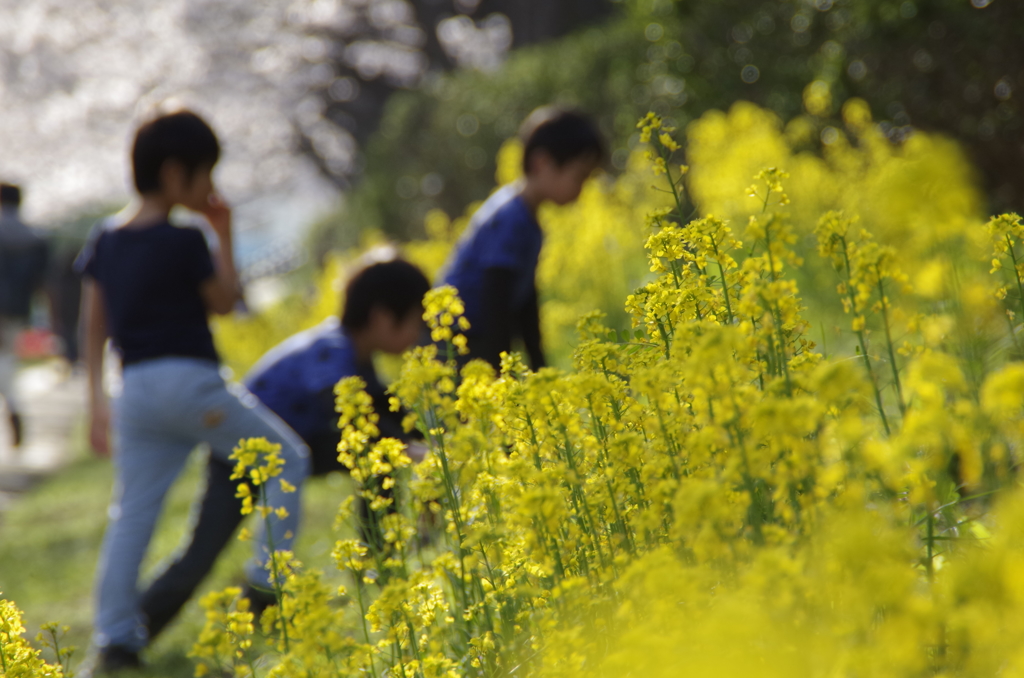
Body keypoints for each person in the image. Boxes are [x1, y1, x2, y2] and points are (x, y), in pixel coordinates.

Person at [77, 110, 310, 674]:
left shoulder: (105, 239)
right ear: (177, 173)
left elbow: (94, 326)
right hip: (192, 385)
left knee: (131, 514)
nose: (212, 188)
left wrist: (95, 403)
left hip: (133, 390)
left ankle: (114, 641)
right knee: (288, 459)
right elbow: (225, 302)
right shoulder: (184, 238)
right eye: (206, 174)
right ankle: (264, 584)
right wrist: (223, 234)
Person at [138, 256, 430, 640]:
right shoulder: (330, 349)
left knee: (379, 459)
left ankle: (379, 564)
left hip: (295, 451)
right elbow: (346, 415)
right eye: (415, 321)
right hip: (238, 458)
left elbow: (382, 410)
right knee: (200, 556)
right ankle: (135, 630)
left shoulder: (358, 356)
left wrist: (421, 443)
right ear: (380, 316)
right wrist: (406, 449)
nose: (421, 334)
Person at [438, 107, 604, 370]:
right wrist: (503, 375)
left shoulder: (527, 219)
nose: (582, 189)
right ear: (542, 163)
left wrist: (539, 366)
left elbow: (525, 301)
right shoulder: (510, 218)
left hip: (479, 337)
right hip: (455, 343)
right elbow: (497, 301)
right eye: (579, 176)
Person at [0, 183, 49, 449]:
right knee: (8, 358)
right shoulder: (36, 237)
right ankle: (13, 405)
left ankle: (13, 405)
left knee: (4, 359)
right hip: (20, 308)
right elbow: (43, 282)